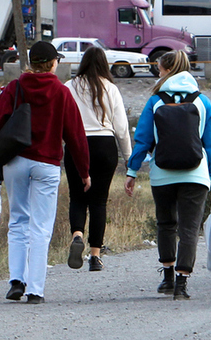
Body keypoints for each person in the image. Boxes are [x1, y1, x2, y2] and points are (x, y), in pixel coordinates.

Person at [0, 40, 90, 304]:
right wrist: (84, 171)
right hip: (47, 164)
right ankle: (35, 290)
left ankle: (15, 281)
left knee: (18, 221)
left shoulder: (15, 87)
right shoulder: (61, 92)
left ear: (32, 63)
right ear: (52, 63)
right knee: (41, 227)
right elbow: (76, 135)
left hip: (16, 161)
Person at [125, 49, 211, 300]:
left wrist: (132, 170)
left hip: (163, 174)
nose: (158, 72)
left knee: (166, 224)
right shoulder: (202, 101)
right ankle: (182, 283)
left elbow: (143, 139)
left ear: (167, 70)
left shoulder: (156, 101)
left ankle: (167, 278)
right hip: (196, 174)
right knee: (189, 228)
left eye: (159, 68)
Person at [65, 45, 132, 271]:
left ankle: (77, 235)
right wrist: (128, 158)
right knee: (99, 201)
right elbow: (121, 128)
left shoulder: (69, 87)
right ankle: (95, 256)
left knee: (77, 197)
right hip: (104, 144)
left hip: (76, 144)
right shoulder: (110, 88)